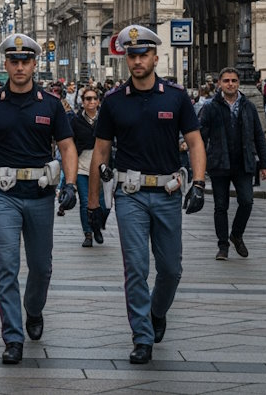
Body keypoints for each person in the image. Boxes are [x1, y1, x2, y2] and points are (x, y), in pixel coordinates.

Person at [88, 25, 207, 366]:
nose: (137, 60)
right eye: (132, 55)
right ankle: (142, 337)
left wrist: (198, 183)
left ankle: (157, 311)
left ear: (156, 57)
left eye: (143, 55)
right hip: (130, 195)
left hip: (168, 192)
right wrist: (94, 203)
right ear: (126, 59)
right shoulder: (113, 102)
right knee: (136, 268)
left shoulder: (175, 96)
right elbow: (100, 152)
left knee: (171, 269)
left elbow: (196, 142)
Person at [0, 33, 79, 365]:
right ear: (6, 65)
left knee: (41, 267)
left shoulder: (50, 104)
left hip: (40, 194)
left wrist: (71, 185)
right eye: (14, 61)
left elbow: (67, 146)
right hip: (2, 195)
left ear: (34, 64)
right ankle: (12, 337)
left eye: (26, 61)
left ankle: (34, 309)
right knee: (7, 267)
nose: (20, 66)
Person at [199, 68, 266, 261]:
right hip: (219, 163)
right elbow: (201, 136)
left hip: (243, 163)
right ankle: (223, 246)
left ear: (238, 83)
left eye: (234, 81)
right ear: (219, 83)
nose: (231, 84)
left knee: (246, 201)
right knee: (220, 206)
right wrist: (197, 161)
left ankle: (236, 234)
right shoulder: (211, 106)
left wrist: (265, 164)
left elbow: (259, 136)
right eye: (227, 81)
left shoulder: (248, 106)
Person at [71, 86, 105, 247]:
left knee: (104, 204)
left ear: (98, 101)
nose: (91, 102)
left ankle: (97, 225)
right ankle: (88, 233)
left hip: (102, 169)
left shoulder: (105, 119)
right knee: (85, 201)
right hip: (82, 166)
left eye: (94, 99)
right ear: (82, 102)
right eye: (87, 99)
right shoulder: (75, 120)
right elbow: (69, 144)